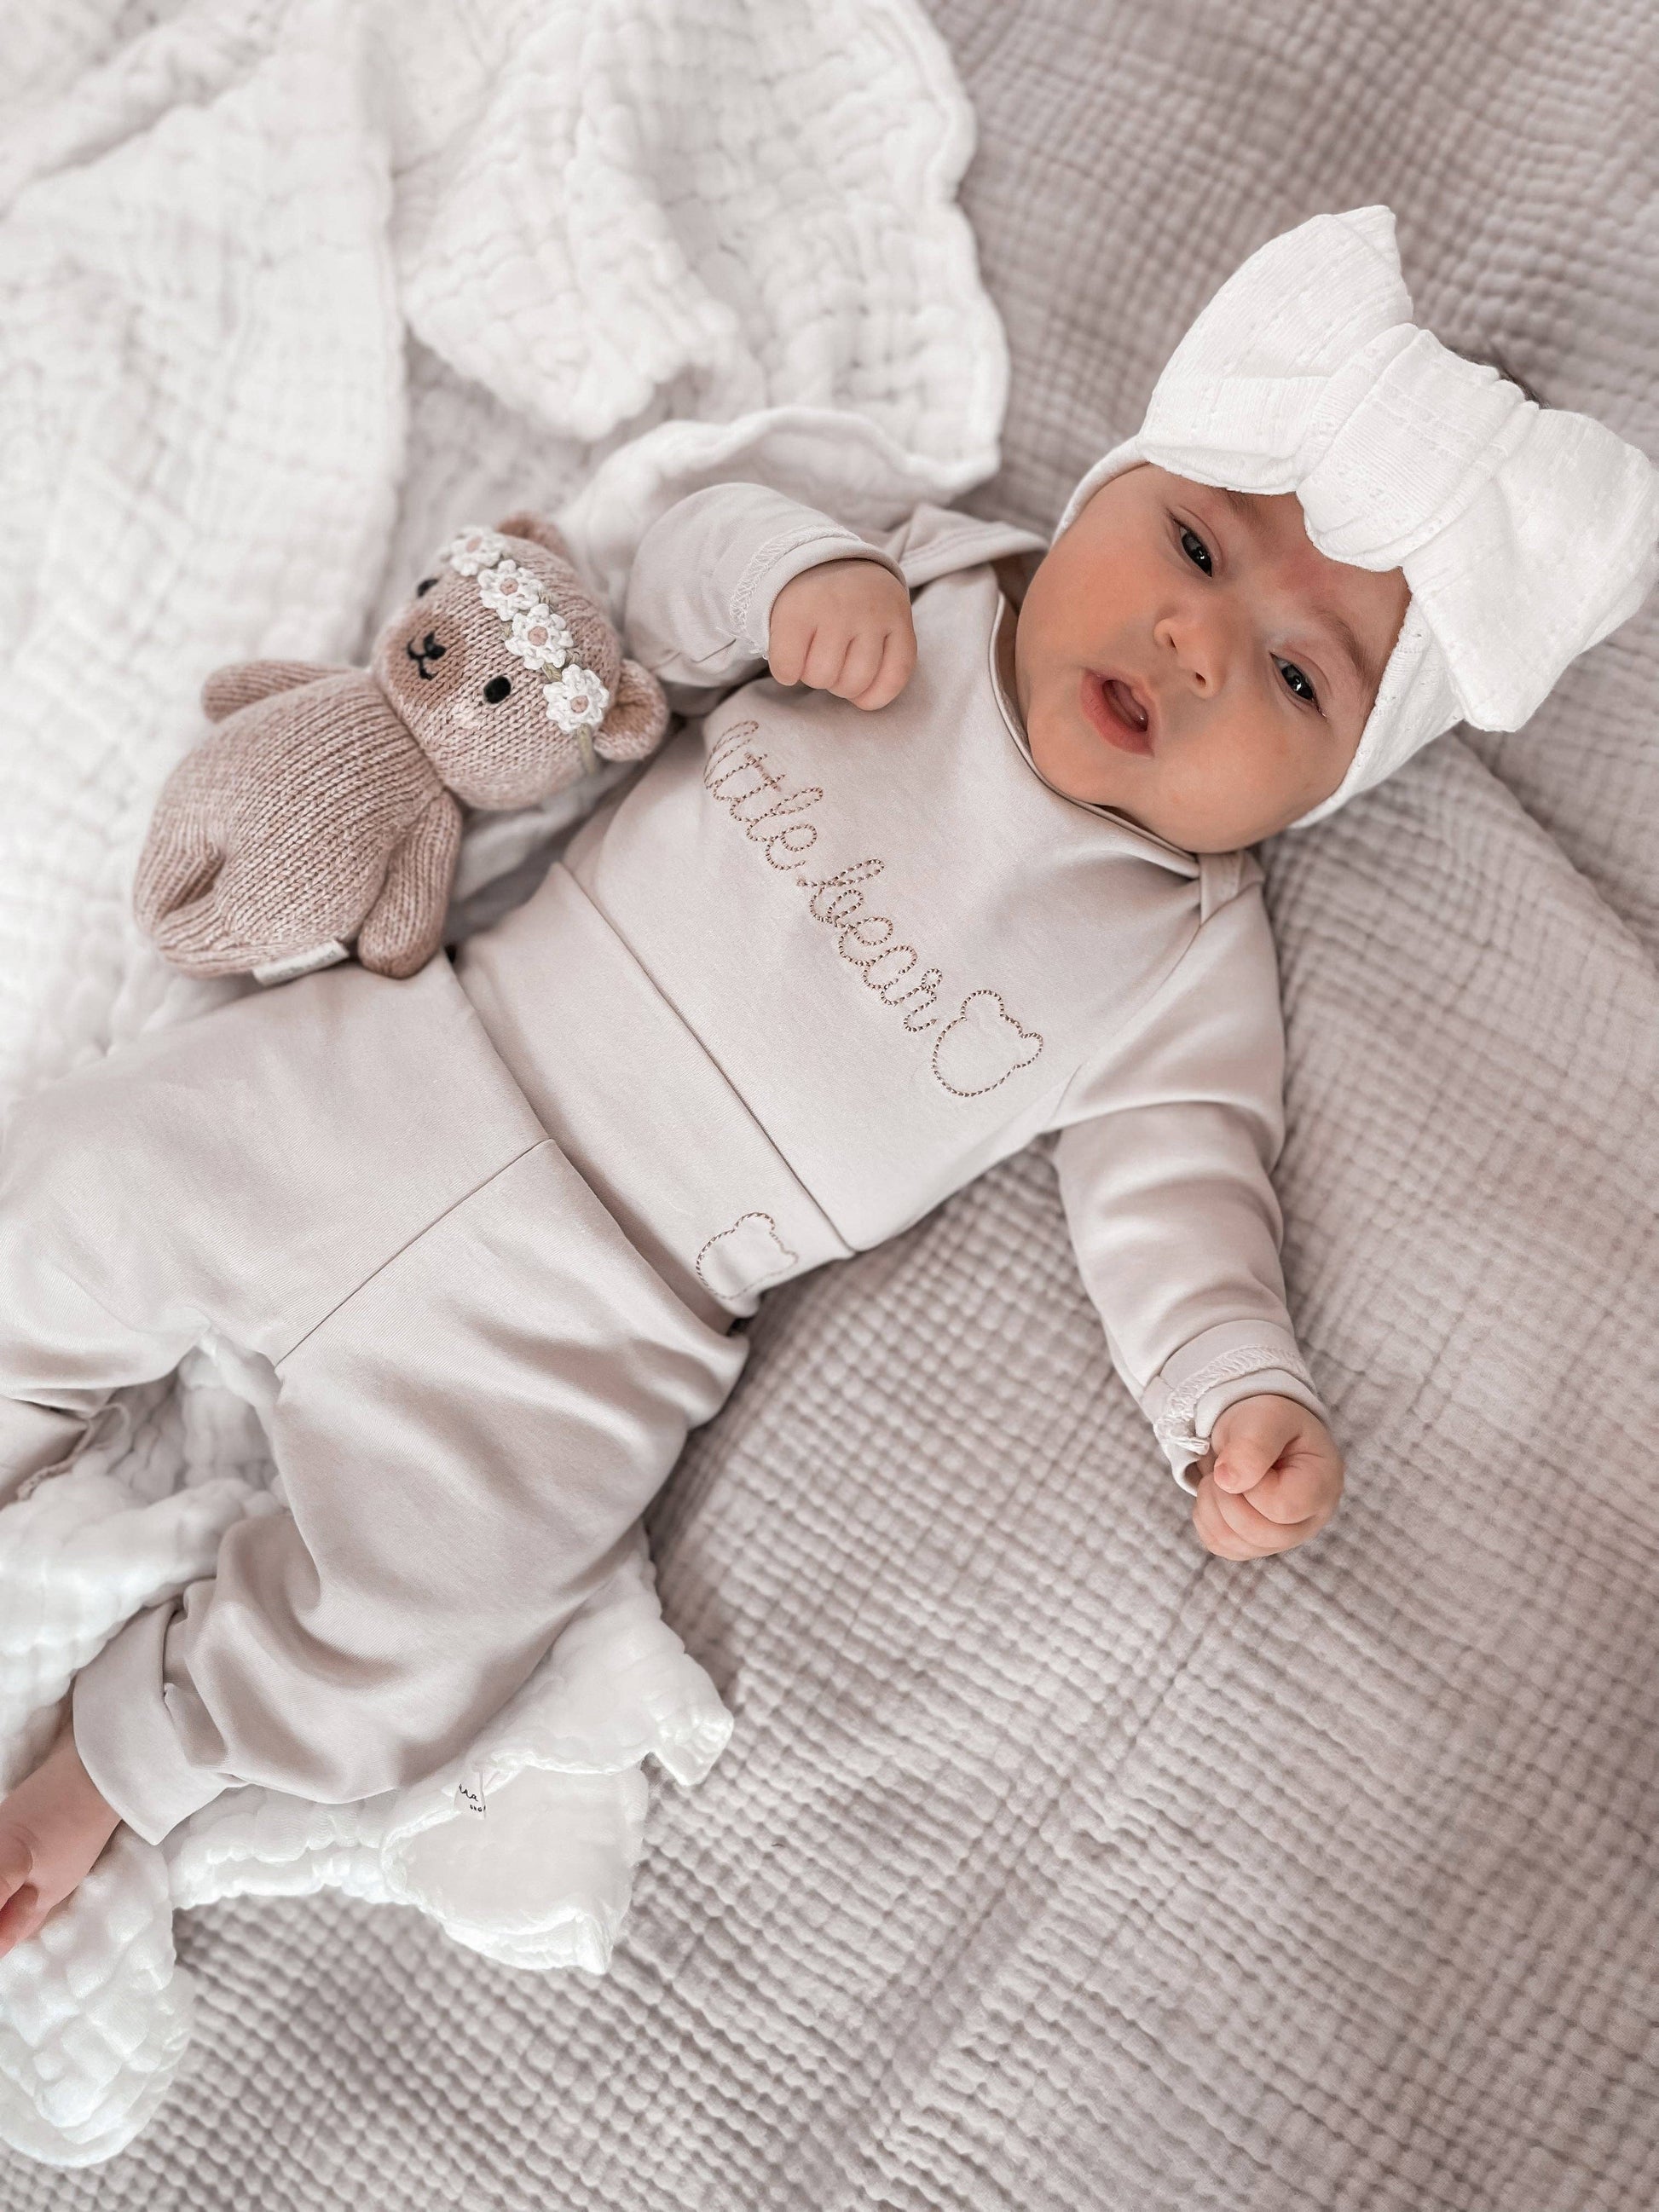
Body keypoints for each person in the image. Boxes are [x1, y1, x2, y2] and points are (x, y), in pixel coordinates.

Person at [0, 206, 1653, 1956]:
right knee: (85, 1187)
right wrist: (792, 582)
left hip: (596, 1331)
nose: (1196, 639)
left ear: (1329, 788)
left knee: (423, 1639)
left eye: (1298, 675)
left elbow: (1185, 1197)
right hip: (416, 1061)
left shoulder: (1181, 962)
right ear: (1106, 489)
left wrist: (1235, 1388)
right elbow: (656, 598)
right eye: (1191, 540)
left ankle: (127, 1756)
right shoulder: (925, 586)